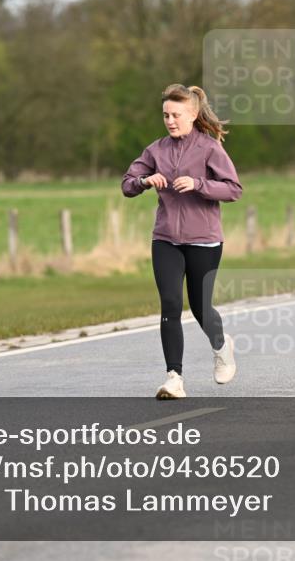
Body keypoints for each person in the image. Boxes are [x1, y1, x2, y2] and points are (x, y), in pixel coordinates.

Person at [122, 84, 242, 399]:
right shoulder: (155, 150)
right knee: (171, 303)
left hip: (204, 240)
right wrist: (144, 181)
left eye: (176, 115)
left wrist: (199, 184)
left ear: (192, 114)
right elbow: (127, 184)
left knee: (201, 307)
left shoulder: (209, 148)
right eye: (165, 115)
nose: (170, 121)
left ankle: (221, 345)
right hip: (166, 239)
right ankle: (174, 377)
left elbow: (233, 189)